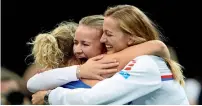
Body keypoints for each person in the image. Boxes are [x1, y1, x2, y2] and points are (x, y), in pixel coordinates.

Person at [29, 12, 174, 104]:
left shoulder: (139, 64)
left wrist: (49, 97)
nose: (78, 49)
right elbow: (33, 84)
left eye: (109, 35)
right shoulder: (77, 70)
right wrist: (79, 71)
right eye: (75, 42)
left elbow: (93, 98)